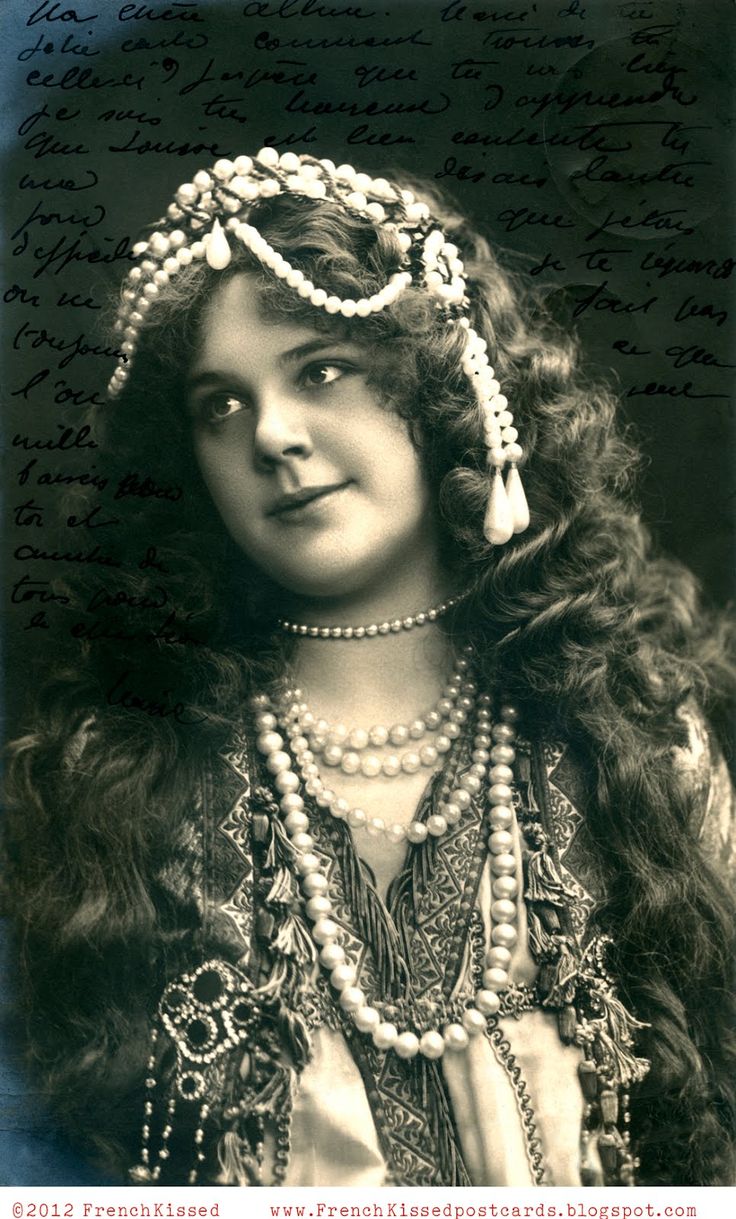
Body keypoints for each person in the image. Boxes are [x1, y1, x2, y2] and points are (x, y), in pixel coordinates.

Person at [3, 149, 735, 1189]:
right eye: (221, 406)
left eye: (320, 370)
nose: (272, 435)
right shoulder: (117, 784)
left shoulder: (632, 734)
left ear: (440, 384)